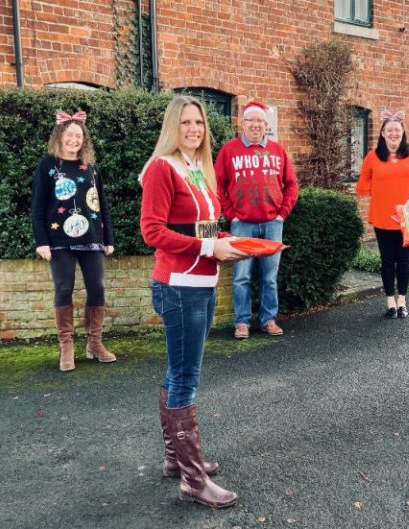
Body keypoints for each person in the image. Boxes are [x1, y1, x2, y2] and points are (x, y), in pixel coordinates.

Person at [139, 95, 248, 509]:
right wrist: (208, 247)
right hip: (179, 286)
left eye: (199, 122)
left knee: (177, 372)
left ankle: (176, 459)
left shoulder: (199, 168)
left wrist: (224, 242)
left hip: (200, 283)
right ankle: (193, 480)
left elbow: (205, 226)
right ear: (173, 126)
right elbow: (152, 232)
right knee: (185, 378)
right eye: (185, 122)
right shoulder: (162, 169)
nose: (193, 129)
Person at [31, 111, 117, 372]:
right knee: (64, 288)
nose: (73, 140)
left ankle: (94, 343)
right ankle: (66, 346)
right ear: (60, 136)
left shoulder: (90, 167)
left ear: (84, 139)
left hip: (91, 238)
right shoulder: (48, 165)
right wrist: (41, 241)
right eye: (69, 135)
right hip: (58, 240)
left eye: (78, 136)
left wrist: (108, 238)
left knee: (97, 288)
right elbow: (37, 206)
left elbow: (101, 203)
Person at [215, 100, 299, 339]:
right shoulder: (228, 151)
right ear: (242, 123)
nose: (255, 125)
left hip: (273, 224)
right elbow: (218, 185)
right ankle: (242, 322)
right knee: (241, 276)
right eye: (250, 120)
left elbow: (292, 185)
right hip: (242, 224)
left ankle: (268, 319)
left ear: (265, 124)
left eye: (259, 121)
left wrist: (282, 214)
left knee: (269, 277)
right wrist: (231, 213)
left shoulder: (277, 150)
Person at [356, 110, 409, 319]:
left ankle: (402, 301)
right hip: (382, 217)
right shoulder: (373, 156)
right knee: (387, 260)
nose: (393, 134)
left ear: (403, 132)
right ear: (383, 134)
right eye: (389, 130)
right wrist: (379, 193)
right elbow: (362, 183)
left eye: (397, 130)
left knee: (404, 260)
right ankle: (390, 303)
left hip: (408, 218)